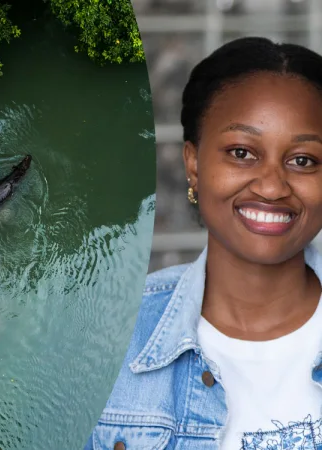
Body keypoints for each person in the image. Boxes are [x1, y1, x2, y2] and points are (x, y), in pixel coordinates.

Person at [86, 37, 322, 450]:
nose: (271, 186)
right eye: (241, 152)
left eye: (303, 160)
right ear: (193, 164)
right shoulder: (104, 342)